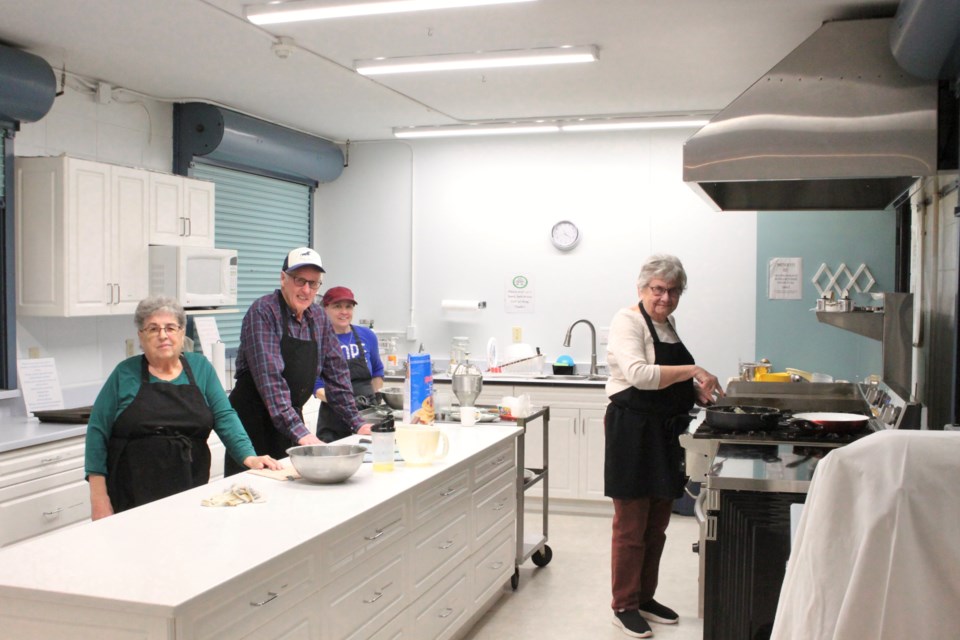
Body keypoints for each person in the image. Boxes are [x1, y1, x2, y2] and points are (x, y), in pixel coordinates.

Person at [604, 254, 723, 638]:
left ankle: (644, 597)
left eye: (673, 291)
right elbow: (639, 375)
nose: (665, 298)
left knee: (657, 523)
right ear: (642, 289)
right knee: (631, 524)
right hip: (633, 431)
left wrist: (696, 393)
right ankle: (623, 604)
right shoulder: (628, 321)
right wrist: (692, 371)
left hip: (663, 432)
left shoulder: (668, 325)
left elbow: (668, 380)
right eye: (658, 289)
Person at [85, 296, 281, 520]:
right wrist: (98, 498)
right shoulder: (124, 374)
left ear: (181, 332)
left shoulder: (200, 368)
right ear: (141, 336)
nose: (162, 335)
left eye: (170, 327)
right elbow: (97, 431)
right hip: (131, 492)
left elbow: (224, 416)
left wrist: (249, 456)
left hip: (189, 485)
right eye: (152, 328)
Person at [224, 248, 372, 476]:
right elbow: (271, 381)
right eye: (299, 281)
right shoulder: (264, 312)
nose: (306, 290)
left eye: (313, 284)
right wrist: (302, 434)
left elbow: (337, 374)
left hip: (289, 419)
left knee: (291, 493)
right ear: (283, 278)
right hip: (253, 424)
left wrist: (357, 423)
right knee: (252, 494)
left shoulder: (318, 318)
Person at [314, 286, 385, 442]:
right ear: (325, 309)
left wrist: (371, 401)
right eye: (337, 306)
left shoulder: (367, 335)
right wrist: (347, 407)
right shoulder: (318, 340)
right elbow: (318, 387)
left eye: (348, 306)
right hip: (334, 420)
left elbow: (377, 372)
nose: (344, 312)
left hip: (367, 415)